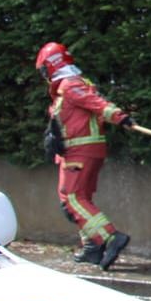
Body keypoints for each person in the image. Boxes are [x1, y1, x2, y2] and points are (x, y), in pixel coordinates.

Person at [35, 42, 134, 270]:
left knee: (72, 199)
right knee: (81, 200)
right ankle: (92, 248)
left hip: (80, 152)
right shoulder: (69, 86)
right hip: (78, 152)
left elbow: (96, 104)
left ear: (51, 66)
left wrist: (119, 116)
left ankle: (110, 237)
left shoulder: (70, 86)